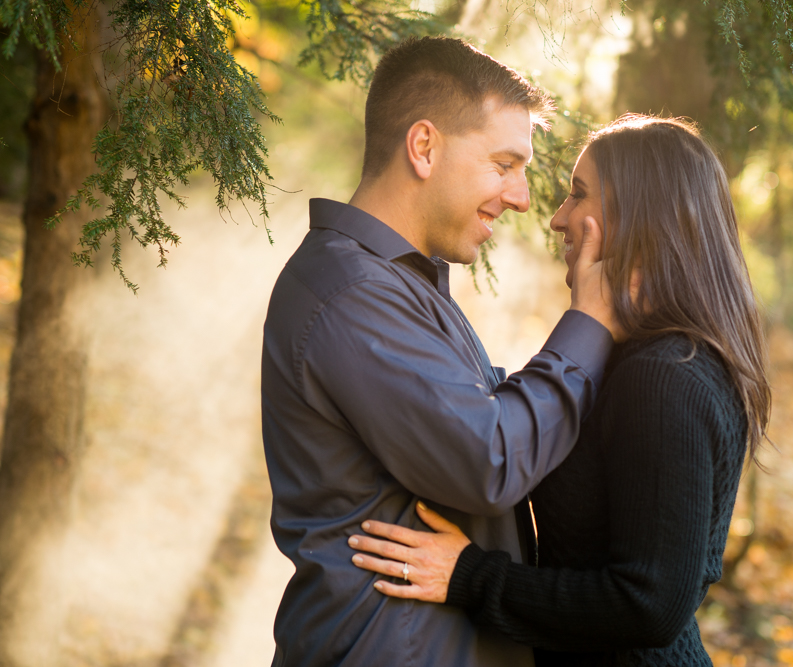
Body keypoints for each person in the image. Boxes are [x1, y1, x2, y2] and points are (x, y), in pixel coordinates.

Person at [348, 115, 773, 667]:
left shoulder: (665, 374)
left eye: (579, 195)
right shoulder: (644, 358)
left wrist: (469, 578)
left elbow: (649, 604)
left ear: (639, 217)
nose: (557, 219)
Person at [261, 37, 625, 667]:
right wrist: (590, 324)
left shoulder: (395, 283)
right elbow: (488, 457)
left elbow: (474, 422)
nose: (520, 197)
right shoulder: (351, 293)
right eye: (504, 164)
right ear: (424, 147)